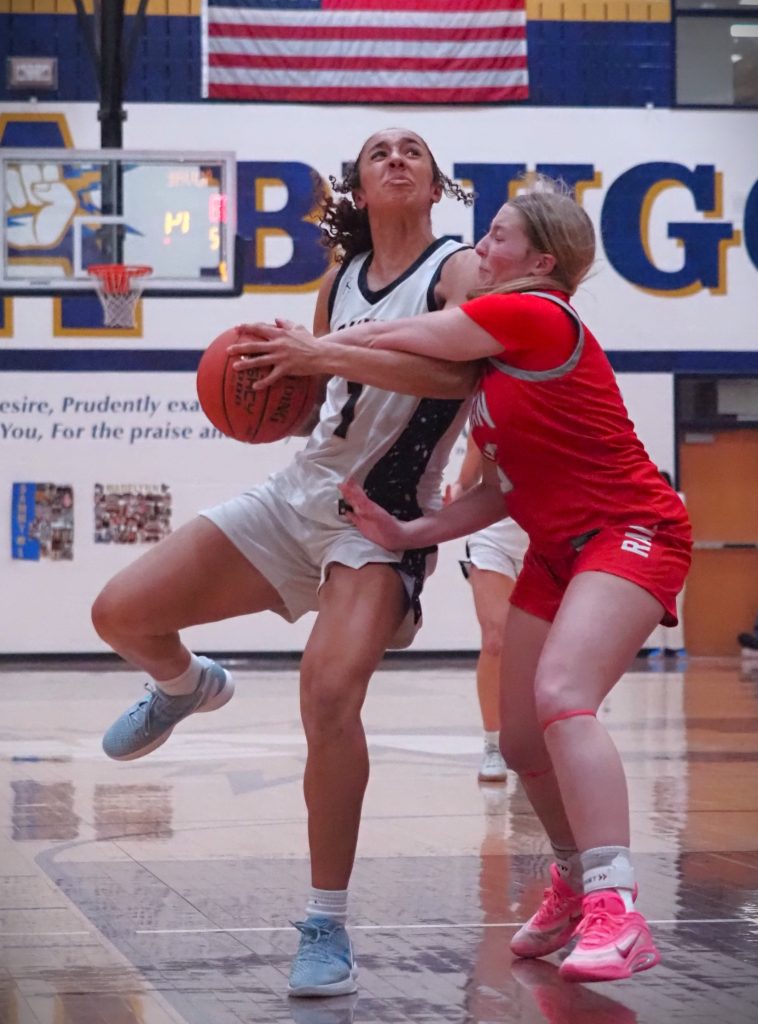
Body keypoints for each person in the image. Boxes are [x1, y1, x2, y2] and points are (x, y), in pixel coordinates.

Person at [234, 176, 692, 984]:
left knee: (561, 698)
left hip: (634, 529)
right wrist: (411, 530)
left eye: (497, 238)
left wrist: (317, 349)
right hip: (558, 548)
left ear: (541, 261)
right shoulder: (500, 367)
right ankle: (575, 880)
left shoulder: (536, 313)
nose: (480, 248)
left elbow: (408, 334)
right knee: (519, 740)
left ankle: (619, 909)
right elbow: (502, 491)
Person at [92, 128, 481, 997]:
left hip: (379, 521)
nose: (394, 157)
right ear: (359, 184)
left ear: (434, 183)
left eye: (412, 149)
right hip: (297, 495)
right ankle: (187, 684)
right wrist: (271, 381)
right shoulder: (338, 279)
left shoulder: (458, 270)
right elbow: (323, 408)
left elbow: (462, 378)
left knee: (330, 693)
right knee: (120, 612)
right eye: (378, 150)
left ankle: (324, 923)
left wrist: (319, 355)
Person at [446, 432, 528, 782]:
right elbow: (470, 467)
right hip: (492, 535)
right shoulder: (493, 403)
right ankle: (493, 745)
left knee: (542, 650)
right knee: (496, 639)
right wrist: (458, 492)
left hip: (547, 534)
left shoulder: (562, 397)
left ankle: (536, 740)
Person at [645, 470, 687, 661]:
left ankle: (676, 646)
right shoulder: (646, 501)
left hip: (674, 560)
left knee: (675, 605)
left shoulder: (677, 500)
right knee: (651, 604)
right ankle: (656, 645)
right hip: (652, 559)